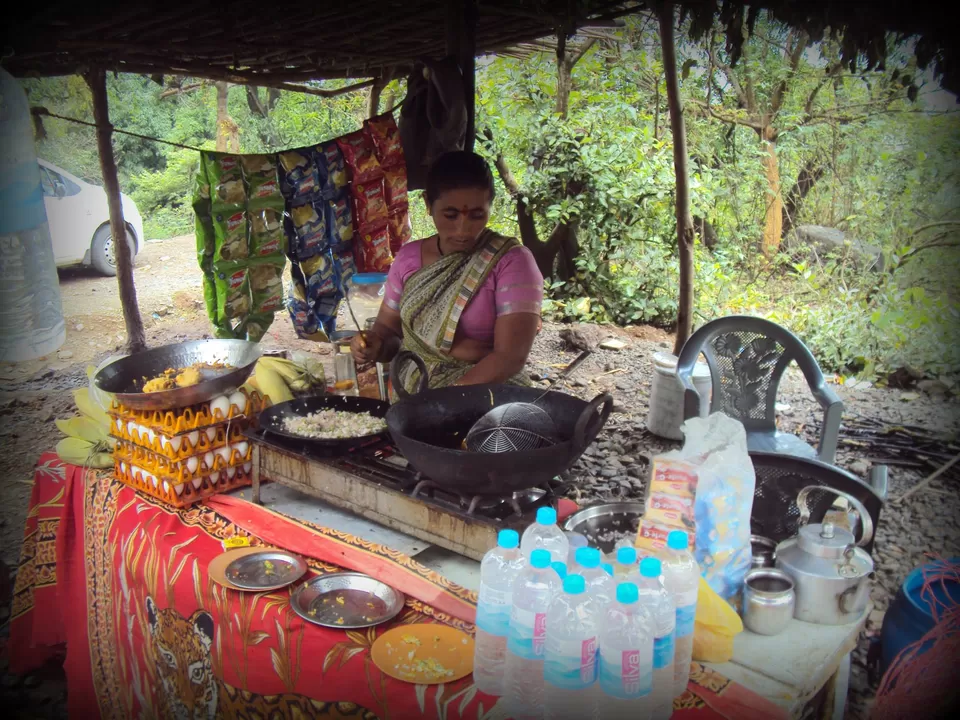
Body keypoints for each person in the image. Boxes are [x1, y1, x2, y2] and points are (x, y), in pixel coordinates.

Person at [350, 151, 543, 396]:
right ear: (428, 204)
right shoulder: (408, 259)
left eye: (477, 215)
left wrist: (445, 400)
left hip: (488, 396)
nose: (463, 229)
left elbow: (509, 358)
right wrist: (374, 345)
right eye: (450, 215)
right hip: (414, 394)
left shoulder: (511, 262)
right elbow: (389, 331)